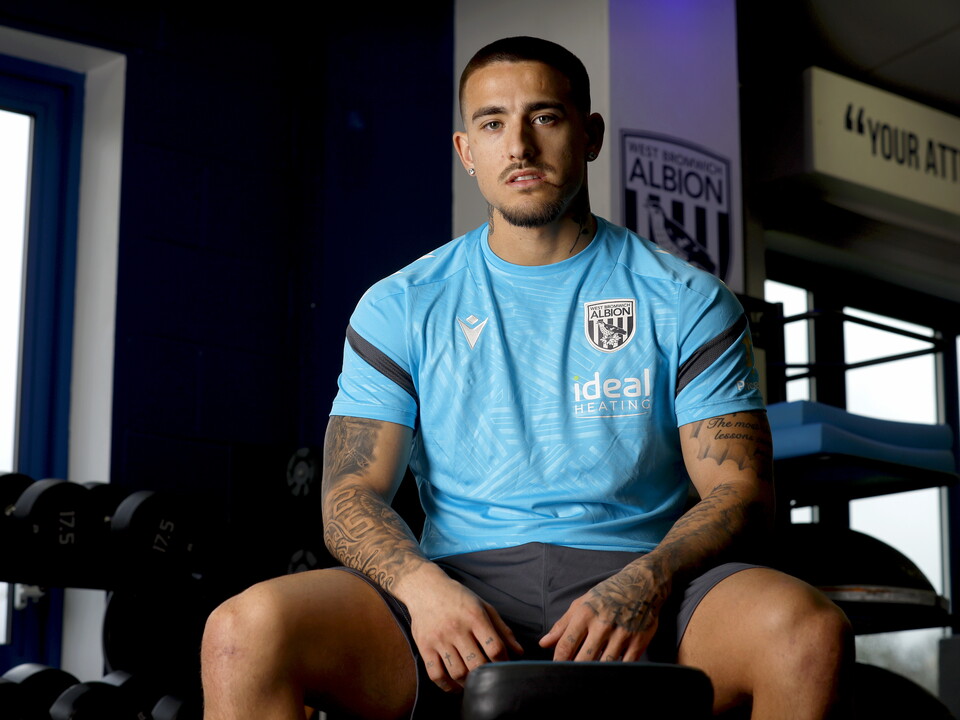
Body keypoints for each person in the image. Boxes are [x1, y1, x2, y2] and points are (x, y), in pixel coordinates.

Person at [201, 36, 851, 719]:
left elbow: (741, 491)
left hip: (646, 576)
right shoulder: (403, 302)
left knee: (806, 635)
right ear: (466, 152)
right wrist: (423, 590)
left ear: (590, 134)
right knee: (243, 633)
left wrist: (649, 581)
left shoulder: (684, 298)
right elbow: (348, 494)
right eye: (492, 123)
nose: (519, 146)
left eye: (545, 117)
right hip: (459, 582)